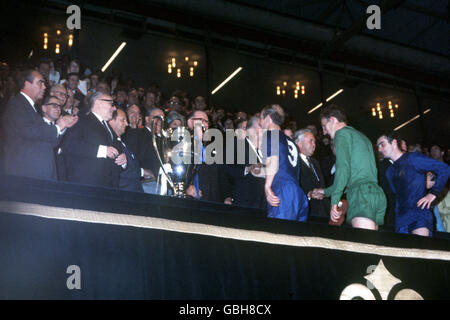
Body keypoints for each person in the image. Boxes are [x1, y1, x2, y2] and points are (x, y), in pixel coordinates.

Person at [311, 104, 386, 230]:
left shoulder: (341, 134)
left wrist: (334, 201)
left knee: (364, 246)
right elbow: (354, 177)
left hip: (361, 196)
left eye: (324, 126)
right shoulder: (362, 137)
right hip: (375, 194)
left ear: (333, 120)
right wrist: (325, 192)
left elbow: (343, 170)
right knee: (372, 246)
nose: (324, 132)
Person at [1, 70, 78, 180]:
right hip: (24, 174)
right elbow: (30, 131)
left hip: (35, 172)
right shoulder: (17, 105)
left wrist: (63, 126)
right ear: (27, 84)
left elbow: (49, 142)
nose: (44, 87)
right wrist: (58, 126)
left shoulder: (30, 107)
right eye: (40, 83)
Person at [377, 132, 450, 236]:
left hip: (419, 215)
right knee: (407, 251)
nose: (380, 149)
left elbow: (445, 169)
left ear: (393, 143)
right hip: (401, 219)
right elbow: (398, 193)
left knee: (421, 250)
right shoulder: (390, 171)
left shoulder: (413, 158)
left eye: (382, 144)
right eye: (378, 146)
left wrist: (433, 194)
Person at [61, 92, 126, 188]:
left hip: (107, 186)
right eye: (111, 104)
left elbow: (115, 148)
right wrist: (102, 150)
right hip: (87, 185)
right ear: (98, 103)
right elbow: (69, 145)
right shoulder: (81, 119)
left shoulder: (107, 126)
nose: (114, 108)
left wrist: (123, 159)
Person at [260, 104, 309, 222]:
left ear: (268, 118)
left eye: (261, 119)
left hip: (283, 192)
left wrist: (267, 187)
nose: (260, 123)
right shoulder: (290, 141)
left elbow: (274, 160)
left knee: (279, 235)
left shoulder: (270, 135)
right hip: (298, 194)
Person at [185, 110, 232, 203]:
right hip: (191, 202)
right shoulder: (182, 146)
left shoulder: (213, 147)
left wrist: (227, 196)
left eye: (207, 122)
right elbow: (177, 173)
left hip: (213, 202)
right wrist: (185, 188)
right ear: (190, 122)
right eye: (202, 121)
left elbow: (222, 174)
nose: (205, 124)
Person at [225, 116, 266, 209]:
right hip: (244, 200)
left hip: (262, 202)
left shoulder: (264, 149)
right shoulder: (237, 144)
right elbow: (226, 168)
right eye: (261, 126)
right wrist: (246, 170)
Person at [294, 128, 330, 219]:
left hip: (323, 211)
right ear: (299, 143)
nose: (314, 145)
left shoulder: (315, 162)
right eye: (310, 141)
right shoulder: (294, 163)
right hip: (307, 212)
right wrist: (309, 194)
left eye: (314, 141)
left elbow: (322, 184)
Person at [108, 109, 144, 192]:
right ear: (111, 121)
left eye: (126, 120)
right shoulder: (110, 144)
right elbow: (120, 175)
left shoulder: (123, 142)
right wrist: (142, 172)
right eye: (122, 120)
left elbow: (135, 162)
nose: (127, 124)